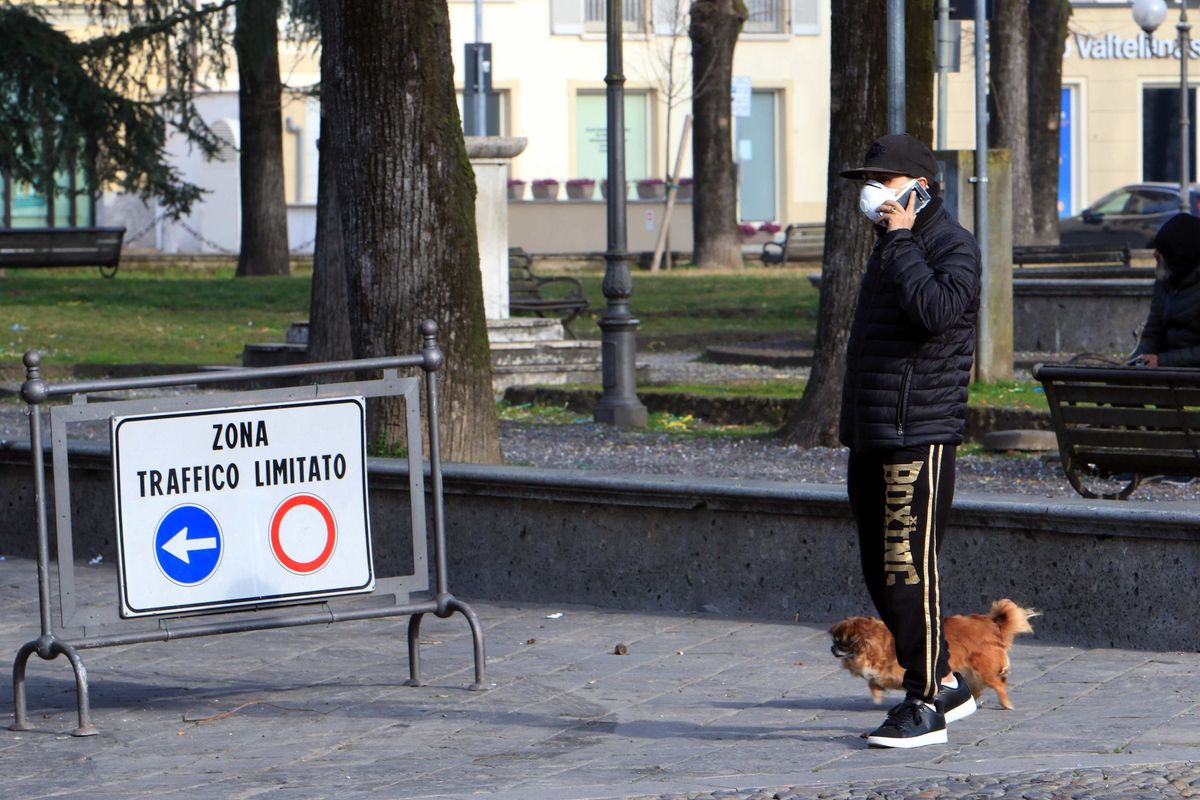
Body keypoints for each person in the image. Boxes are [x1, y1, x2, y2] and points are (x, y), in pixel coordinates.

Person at [838, 133, 981, 749]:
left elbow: (935, 313)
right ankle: (945, 681)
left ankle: (924, 703)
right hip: (875, 433)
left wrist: (899, 240)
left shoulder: (951, 245)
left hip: (916, 436)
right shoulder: (890, 248)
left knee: (907, 570)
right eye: (867, 182)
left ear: (920, 189)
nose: (873, 193)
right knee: (881, 568)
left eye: (884, 182)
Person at [1127, 212, 1200, 368]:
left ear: (1178, 255)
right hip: (1168, 371)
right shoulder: (1164, 280)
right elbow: (1153, 333)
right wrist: (1135, 363)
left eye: (1162, 250)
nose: (1155, 254)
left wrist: (1162, 361)